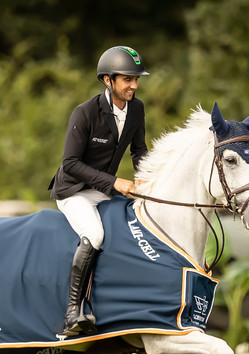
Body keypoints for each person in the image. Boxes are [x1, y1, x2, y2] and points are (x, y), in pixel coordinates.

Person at [48, 46, 150, 336]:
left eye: (136, 79)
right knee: (95, 234)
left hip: (104, 190)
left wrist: (146, 180)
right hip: (74, 191)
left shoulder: (137, 108)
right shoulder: (85, 112)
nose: (134, 85)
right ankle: (71, 314)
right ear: (108, 80)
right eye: (127, 79)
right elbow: (70, 164)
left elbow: (139, 150)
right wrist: (116, 182)